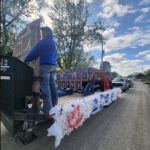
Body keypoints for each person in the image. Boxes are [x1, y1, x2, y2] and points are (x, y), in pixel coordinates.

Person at [24, 26, 58, 114]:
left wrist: (26, 60)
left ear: (48, 33)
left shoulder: (45, 40)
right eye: (42, 32)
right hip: (53, 66)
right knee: (52, 85)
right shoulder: (52, 42)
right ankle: (55, 104)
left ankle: (47, 109)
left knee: (45, 86)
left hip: (45, 66)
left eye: (44, 32)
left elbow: (35, 51)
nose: (43, 34)